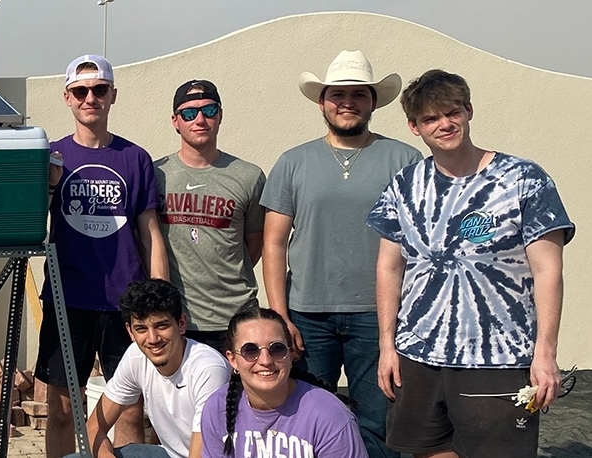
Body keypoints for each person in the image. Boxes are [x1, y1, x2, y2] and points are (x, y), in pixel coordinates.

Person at [368, 70, 575, 458]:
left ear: (469, 111)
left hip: (497, 357)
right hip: (418, 354)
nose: (444, 124)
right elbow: (389, 267)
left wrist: (544, 353)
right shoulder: (404, 185)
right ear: (415, 127)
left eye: (453, 112)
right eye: (431, 118)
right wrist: (387, 345)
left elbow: (549, 271)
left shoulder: (523, 179)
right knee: (427, 451)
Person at [259, 49, 420, 458]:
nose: (347, 102)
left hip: (378, 316)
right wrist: (279, 315)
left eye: (358, 94)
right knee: (303, 417)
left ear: (373, 101)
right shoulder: (293, 162)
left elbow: (420, 243)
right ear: (322, 102)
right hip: (307, 316)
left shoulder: (404, 160)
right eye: (337, 94)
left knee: (379, 421)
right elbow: (273, 243)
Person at [37, 54, 167, 457]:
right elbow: (26, 222)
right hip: (67, 300)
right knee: (60, 412)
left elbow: (150, 233)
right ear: (67, 98)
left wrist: (159, 297)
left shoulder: (135, 158)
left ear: (113, 95)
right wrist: (49, 187)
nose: (90, 98)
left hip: (124, 303)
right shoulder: (50, 156)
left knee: (130, 411)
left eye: (99, 90)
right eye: (81, 91)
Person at [155, 80, 266, 354]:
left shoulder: (249, 176)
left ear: (220, 115)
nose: (200, 119)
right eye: (189, 113)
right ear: (175, 121)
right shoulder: (156, 175)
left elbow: (255, 243)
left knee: (240, 396)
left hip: (236, 316)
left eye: (209, 110)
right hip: (178, 317)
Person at [72, 279, 230, 458]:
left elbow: (202, 453)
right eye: (141, 329)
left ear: (182, 324)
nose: (153, 338)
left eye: (161, 326)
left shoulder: (208, 369)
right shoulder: (136, 356)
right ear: (130, 332)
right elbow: (93, 428)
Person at [199, 307, 367, 458]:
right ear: (233, 359)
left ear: (290, 355)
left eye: (276, 349)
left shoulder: (329, 415)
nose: (265, 360)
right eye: (250, 350)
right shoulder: (216, 408)